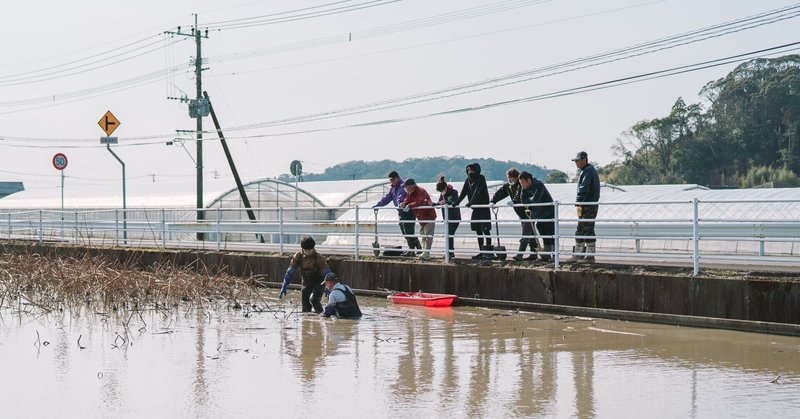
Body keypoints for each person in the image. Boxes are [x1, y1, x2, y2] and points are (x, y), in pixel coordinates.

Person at [279, 236, 333, 313]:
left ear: (313, 248)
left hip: (319, 283)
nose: (308, 252)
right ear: (302, 248)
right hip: (306, 283)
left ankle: (323, 316)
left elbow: (327, 273)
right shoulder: (298, 257)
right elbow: (290, 272)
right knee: (305, 309)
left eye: (310, 250)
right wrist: (284, 285)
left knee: (314, 299)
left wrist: (329, 287)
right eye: (306, 250)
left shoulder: (318, 257)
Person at [373, 171, 422, 256]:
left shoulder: (403, 186)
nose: (392, 181)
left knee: (408, 231)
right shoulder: (393, 188)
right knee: (405, 231)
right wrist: (378, 205)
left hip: (408, 211)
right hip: (401, 212)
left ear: (397, 178)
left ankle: (413, 249)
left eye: (393, 179)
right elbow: (387, 198)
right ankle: (416, 248)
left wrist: (400, 204)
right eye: (390, 180)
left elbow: (401, 196)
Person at [456, 163, 494, 259]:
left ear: (476, 170)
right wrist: (456, 202)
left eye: (472, 170)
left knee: (486, 230)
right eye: (468, 170)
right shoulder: (467, 180)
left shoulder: (481, 178)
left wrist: (471, 202)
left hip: (483, 208)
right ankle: (481, 252)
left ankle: (488, 252)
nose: (470, 172)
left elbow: (478, 191)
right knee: (478, 230)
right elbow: (463, 192)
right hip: (475, 209)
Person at [568, 151, 600, 263]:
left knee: (587, 228)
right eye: (575, 161)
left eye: (577, 160)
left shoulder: (588, 171)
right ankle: (578, 254)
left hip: (588, 205)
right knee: (581, 228)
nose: (576, 163)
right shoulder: (587, 170)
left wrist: (578, 200)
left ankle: (590, 256)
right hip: (586, 204)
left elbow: (584, 187)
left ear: (584, 159)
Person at [491, 168, 530, 260]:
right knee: (529, 233)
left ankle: (520, 255)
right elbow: (500, 193)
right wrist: (493, 201)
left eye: (510, 177)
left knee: (526, 233)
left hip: (528, 212)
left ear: (516, 177)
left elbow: (518, 194)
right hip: (521, 214)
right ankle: (533, 254)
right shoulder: (508, 186)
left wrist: (514, 201)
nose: (509, 179)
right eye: (508, 177)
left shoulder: (521, 185)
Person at [519, 171, 555, 262]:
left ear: (529, 180)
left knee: (551, 232)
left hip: (548, 212)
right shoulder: (524, 188)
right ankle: (547, 253)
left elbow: (536, 199)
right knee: (541, 229)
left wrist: (530, 201)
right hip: (538, 213)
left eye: (523, 182)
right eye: (521, 183)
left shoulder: (539, 185)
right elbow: (523, 200)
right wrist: (530, 201)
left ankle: (554, 254)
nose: (522, 185)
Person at [399, 178, 437, 258]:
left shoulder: (421, 191)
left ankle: (426, 253)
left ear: (410, 186)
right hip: (421, 217)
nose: (405, 189)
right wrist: (404, 203)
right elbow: (407, 200)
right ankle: (424, 252)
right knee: (423, 235)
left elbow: (420, 201)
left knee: (428, 235)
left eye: (406, 187)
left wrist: (409, 205)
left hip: (428, 216)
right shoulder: (410, 193)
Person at [436, 176, 461, 260]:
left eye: (442, 190)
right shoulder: (442, 193)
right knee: (448, 234)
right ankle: (450, 252)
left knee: (449, 234)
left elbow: (454, 202)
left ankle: (450, 252)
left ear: (445, 187)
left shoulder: (454, 192)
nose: (441, 192)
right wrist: (432, 204)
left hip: (454, 217)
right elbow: (439, 203)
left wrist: (445, 202)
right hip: (446, 219)